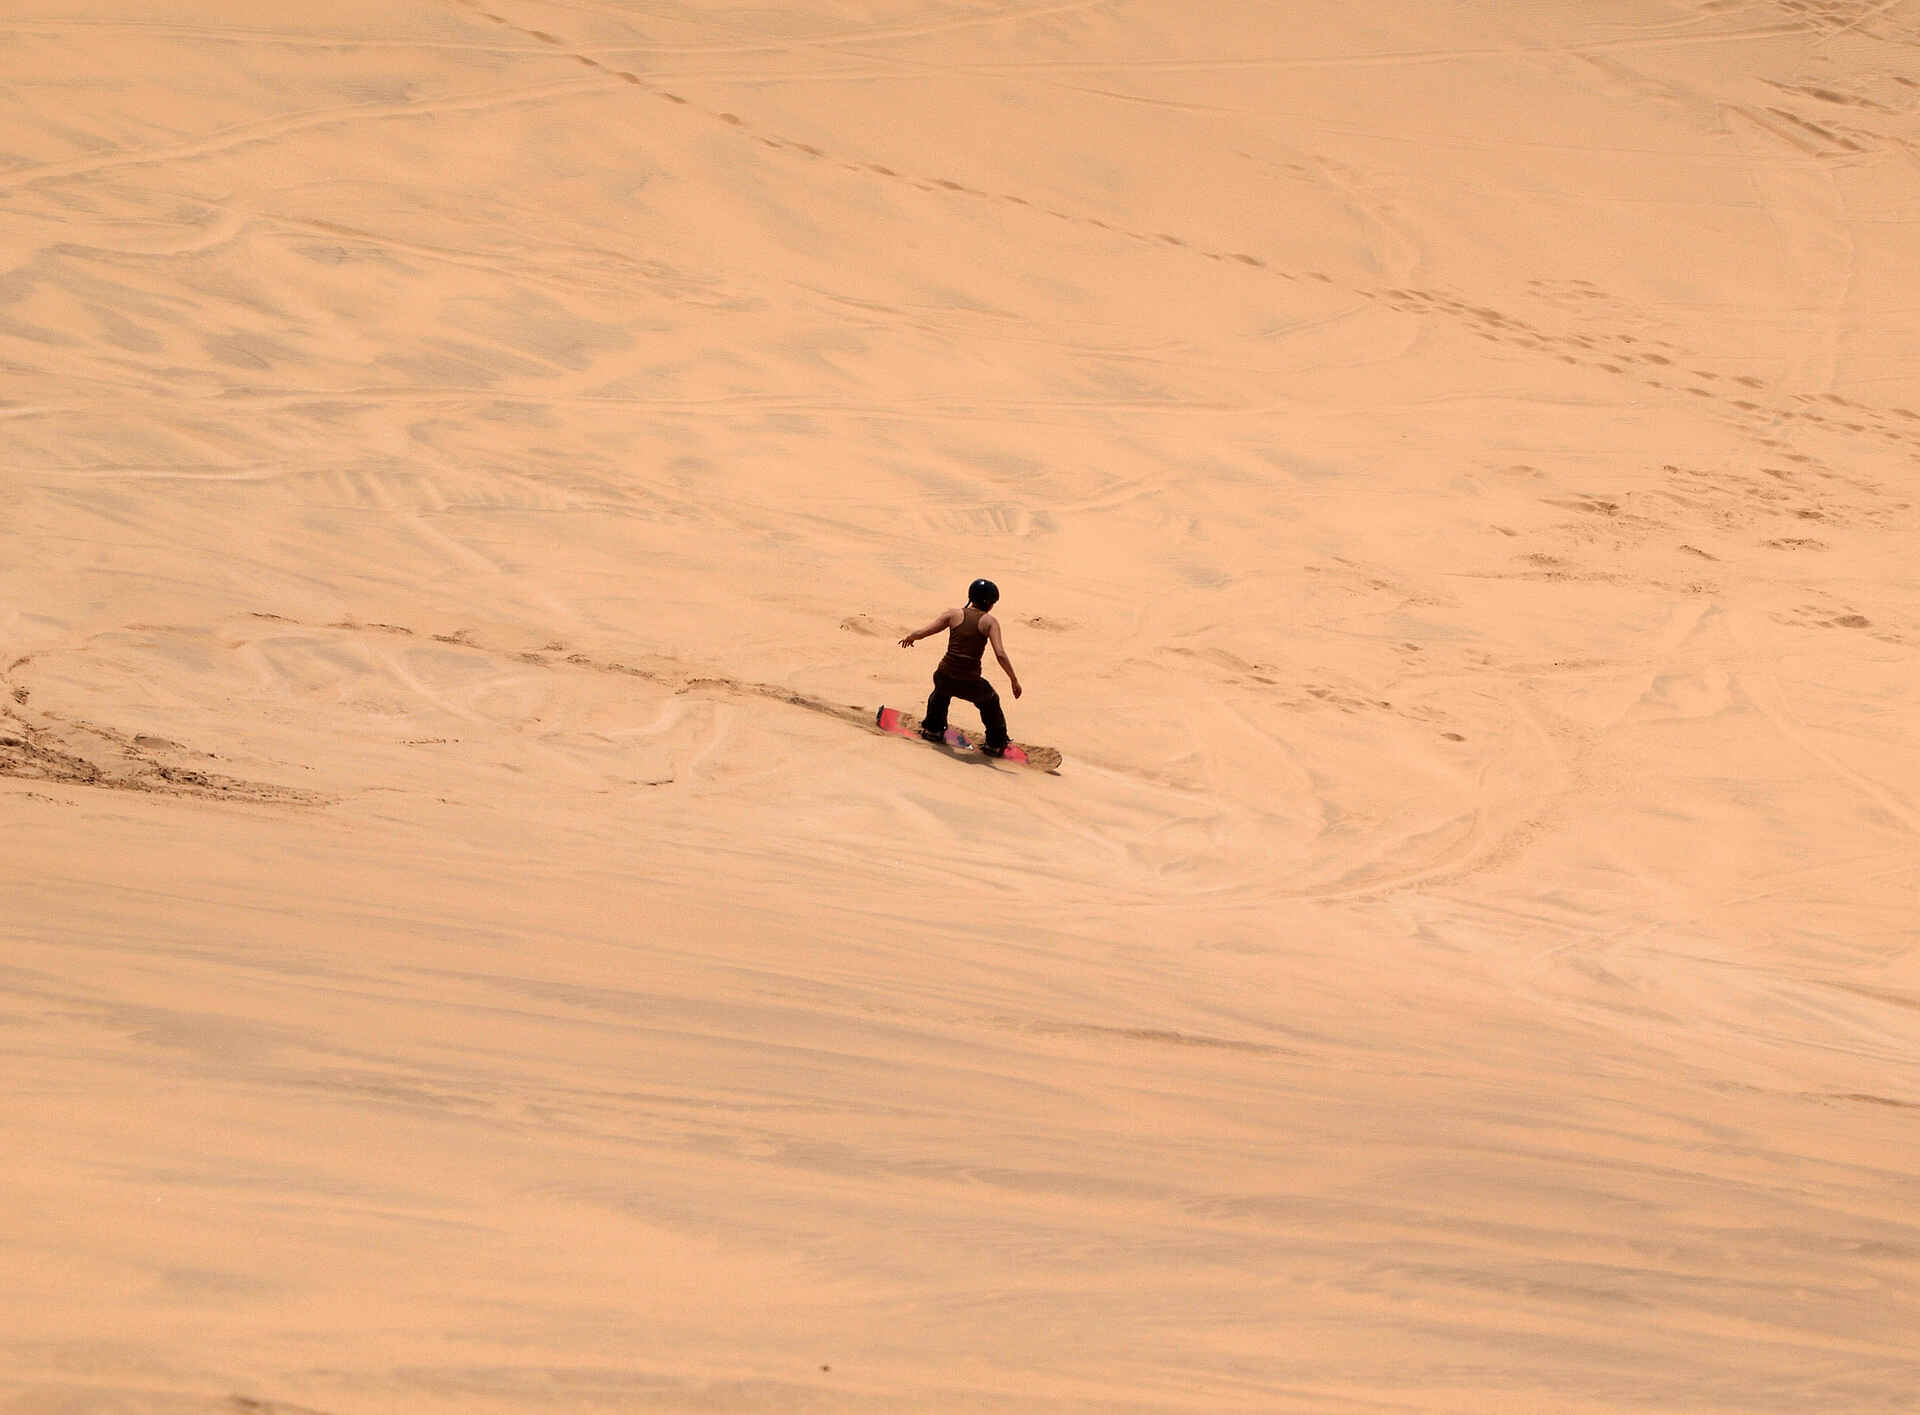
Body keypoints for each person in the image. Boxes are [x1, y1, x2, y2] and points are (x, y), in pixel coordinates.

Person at [898, 578, 1022, 756]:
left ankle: (933, 730)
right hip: (969, 682)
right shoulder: (989, 622)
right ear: (991, 603)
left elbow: (924, 632)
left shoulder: (953, 614)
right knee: (990, 701)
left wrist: (911, 637)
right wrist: (1014, 680)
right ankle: (995, 743)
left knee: (940, 693)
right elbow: (1000, 654)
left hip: (944, 675)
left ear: (971, 597)